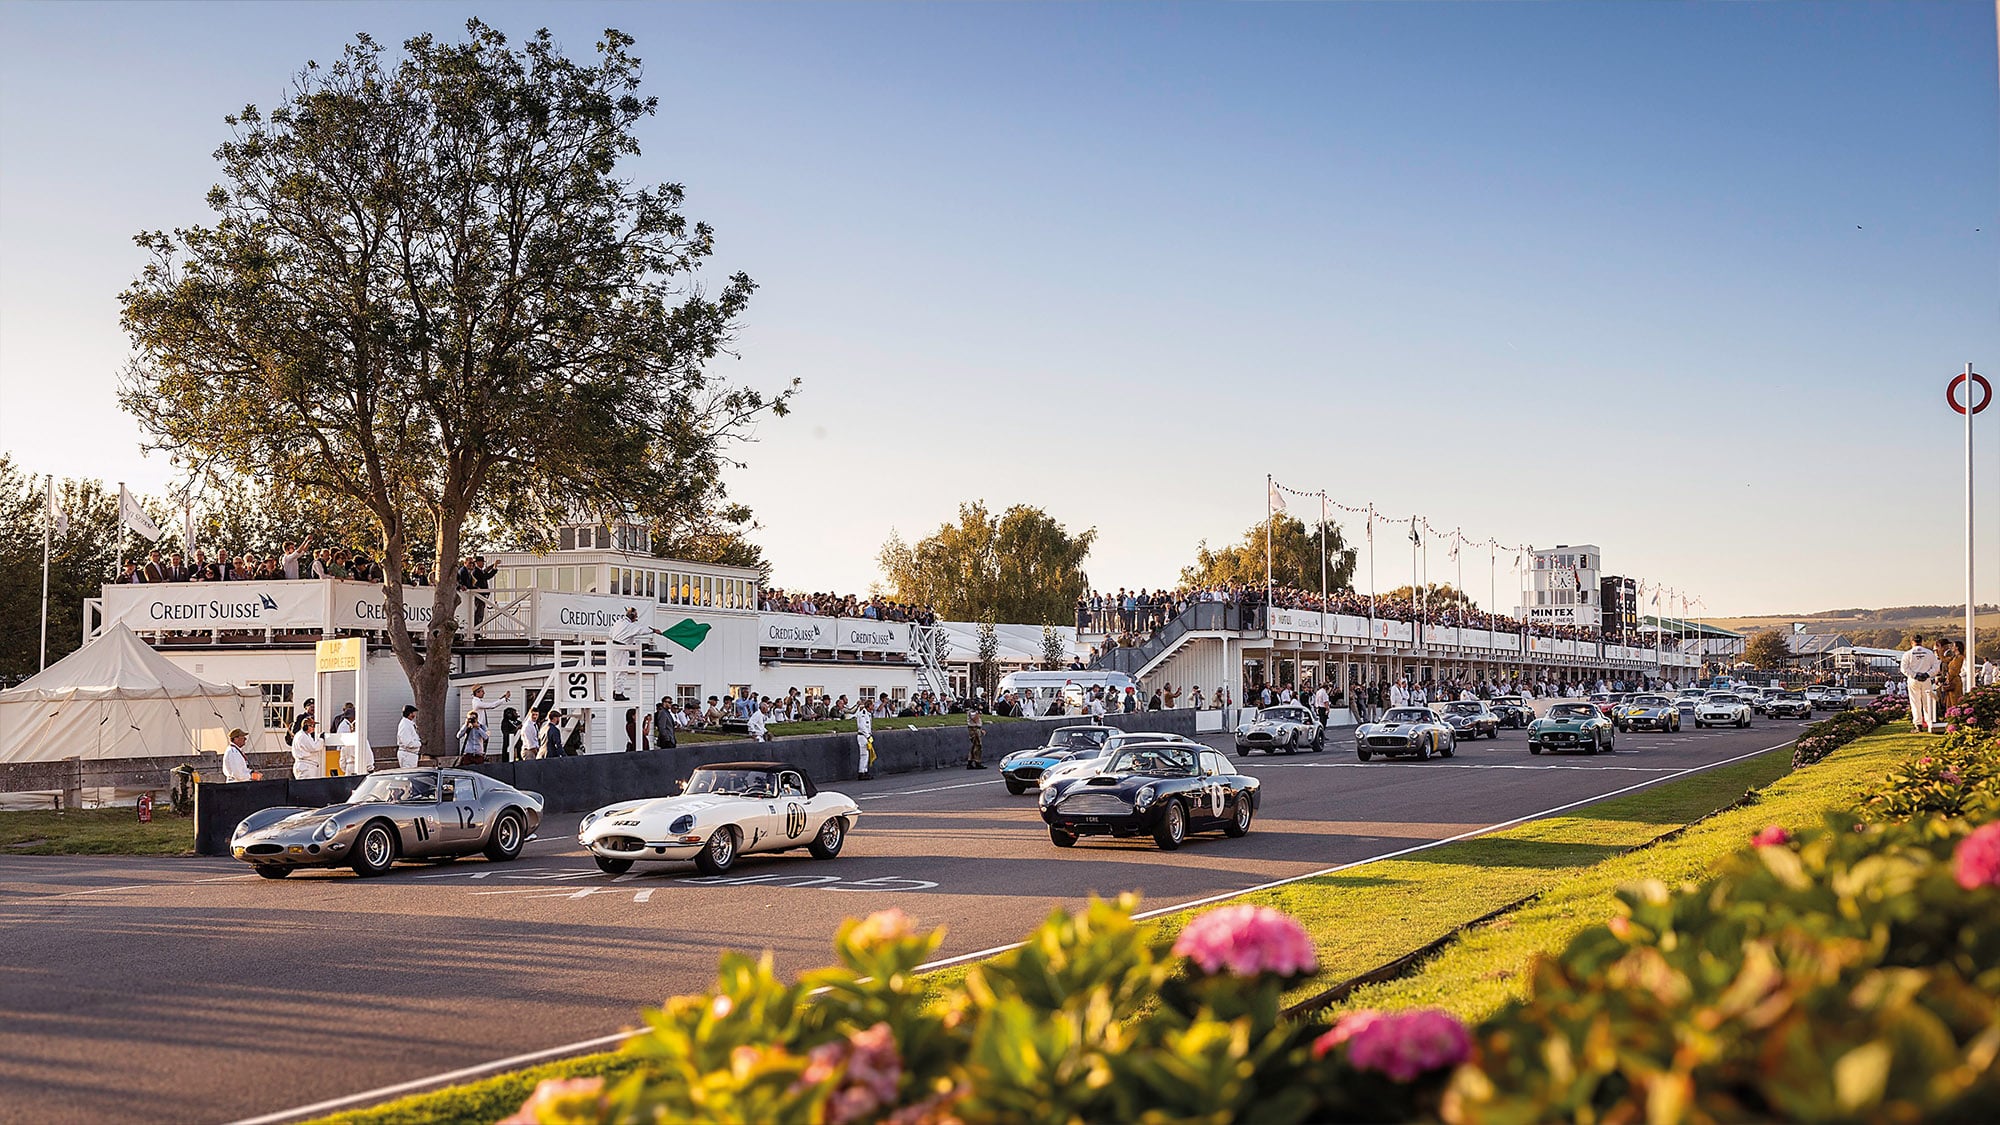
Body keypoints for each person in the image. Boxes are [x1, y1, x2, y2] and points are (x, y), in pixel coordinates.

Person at [1902, 636, 1941, 731]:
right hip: (1926, 679)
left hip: (1913, 680)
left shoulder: (1908, 654)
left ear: (1911, 642)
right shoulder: (1929, 653)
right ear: (1922, 642)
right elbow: (1936, 667)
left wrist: (1915, 675)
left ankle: (1918, 724)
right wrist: (1927, 674)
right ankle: (1929, 722)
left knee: (1915, 702)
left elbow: (1904, 669)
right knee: (1927, 701)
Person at [290, 714, 326, 780]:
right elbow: (314, 747)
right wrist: (321, 740)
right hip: (306, 766)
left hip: (305, 765)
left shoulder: (305, 735)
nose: (313, 728)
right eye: (312, 726)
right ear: (305, 726)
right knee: (306, 787)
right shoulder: (302, 736)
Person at [853, 702, 875, 780]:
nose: (873, 706)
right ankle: (861, 772)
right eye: (872, 705)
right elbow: (862, 727)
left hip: (866, 736)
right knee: (864, 755)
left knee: (867, 755)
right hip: (863, 736)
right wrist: (868, 736)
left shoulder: (868, 714)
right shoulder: (862, 714)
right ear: (868, 706)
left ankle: (865, 771)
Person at [965, 705, 985, 770]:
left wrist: (981, 729)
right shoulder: (972, 712)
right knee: (978, 745)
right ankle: (977, 761)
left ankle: (970, 762)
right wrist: (978, 712)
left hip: (976, 728)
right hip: (974, 729)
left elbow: (978, 721)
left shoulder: (975, 711)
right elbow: (975, 719)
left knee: (974, 746)